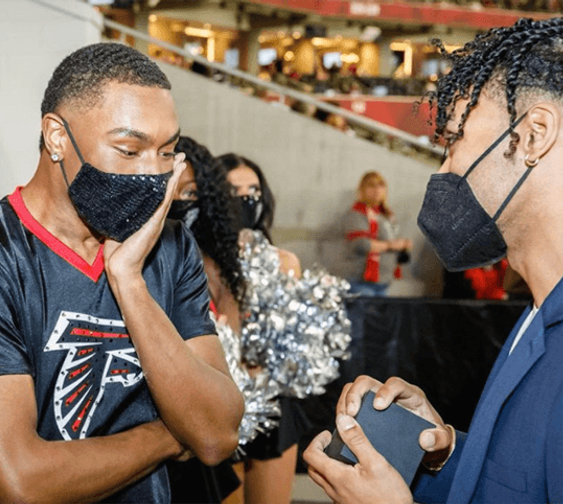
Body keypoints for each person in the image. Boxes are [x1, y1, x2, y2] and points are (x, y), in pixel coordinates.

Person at [0, 43, 243, 504]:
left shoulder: (171, 247)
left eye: (167, 152)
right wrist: (170, 435)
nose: (152, 173)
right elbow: (19, 483)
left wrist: (129, 282)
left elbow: (215, 436)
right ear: (56, 137)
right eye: (129, 150)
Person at [303, 17, 563, 504]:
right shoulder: (539, 313)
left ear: (535, 136)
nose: (443, 171)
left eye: (453, 141)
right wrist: (442, 457)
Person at [220, 152, 305, 504]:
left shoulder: (284, 262)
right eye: (233, 190)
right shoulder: (195, 260)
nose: (245, 199)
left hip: (272, 404)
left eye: (253, 190)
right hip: (220, 404)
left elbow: (294, 345)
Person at [166, 136, 246, 503]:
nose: (182, 202)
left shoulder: (220, 266)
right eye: (173, 189)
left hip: (219, 417)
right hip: (170, 428)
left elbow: (234, 341)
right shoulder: (139, 262)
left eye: (192, 194)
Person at [343, 171, 412, 297]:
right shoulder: (356, 214)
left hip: (384, 281)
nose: (377, 190)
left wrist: (403, 245)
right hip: (361, 282)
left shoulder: (387, 215)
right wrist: (392, 245)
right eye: (371, 185)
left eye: (380, 185)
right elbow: (361, 245)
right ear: (362, 190)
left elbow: (393, 238)